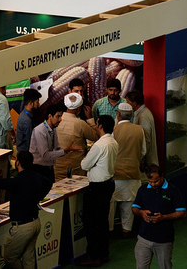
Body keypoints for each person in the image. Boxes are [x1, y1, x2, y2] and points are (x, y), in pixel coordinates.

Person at [0, 151, 52, 269]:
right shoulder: (36, 176)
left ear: (18, 163)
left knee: (9, 257)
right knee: (29, 258)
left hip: (22, 227)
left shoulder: (18, 180)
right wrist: (38, 197)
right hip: (36, 222)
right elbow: (48, 183)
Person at [78, 115, 118, 267]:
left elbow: (84, 164)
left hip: (97, 187)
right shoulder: (113, 142)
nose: (95, 126)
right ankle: (103, 253)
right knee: (101, 222)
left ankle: (94, 255)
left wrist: (91, 166)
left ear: (100, 125)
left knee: (91, 222)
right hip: (108, 184)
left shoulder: (99, 145)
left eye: (96, 124)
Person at [132, 165, 186, 269]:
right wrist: (141, 212)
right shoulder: (143, 189)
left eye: (156, 181)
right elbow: (134, 208)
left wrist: (164, 217)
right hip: (143, 238)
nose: (152, 184)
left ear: (162, 177)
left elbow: (182, 212)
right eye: (150, 181)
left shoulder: (172, 190)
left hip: (164, 241)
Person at [109, 103, 146, 237]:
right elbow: (143, 151)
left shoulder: (114, 130)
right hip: (133, 173)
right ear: (131, 116)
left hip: (116, 174)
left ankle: (110, 229)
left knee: (111, 205)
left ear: (118, 115)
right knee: (129, 205)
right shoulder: (139, 130)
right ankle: (126, 230)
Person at [30, 102, 81, 184]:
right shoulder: (40, 131)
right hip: (39, 169)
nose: (60, 119)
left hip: (49, 168)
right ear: (50, 116)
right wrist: (65, 150)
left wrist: (68, 150)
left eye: (61, 116)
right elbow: (45, 155)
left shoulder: (53, 129)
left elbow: (57, 148)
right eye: (58, 116)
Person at [54, 92, 99, 181]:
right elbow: (96, 136)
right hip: (76, 168)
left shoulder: (56, 121)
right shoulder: (80, 124)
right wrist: (90, 118)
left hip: (58, 167)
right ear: (79, 108)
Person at [126, 90, 159, 167]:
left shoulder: (143, 116)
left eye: (128, 102)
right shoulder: (141, 113)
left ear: (134, 104)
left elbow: (146, 139)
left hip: (147, 160)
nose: (127, 104)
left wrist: (141, 158)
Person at [15, 88, 42, 153]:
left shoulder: (24, 114)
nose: (38, 104)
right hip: (25, 153)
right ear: (30, 103)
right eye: (37, 102)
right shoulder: (27, 120)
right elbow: (30, 141)